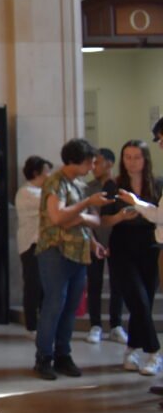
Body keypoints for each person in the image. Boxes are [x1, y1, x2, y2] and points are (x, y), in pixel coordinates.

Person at [32, 139, 112, 381]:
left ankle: (63, 355)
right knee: (54, 305)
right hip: (56, 251)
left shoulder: (77, 185)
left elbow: (93, 221)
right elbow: (57, 217)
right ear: (76, 160)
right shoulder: (55, 182)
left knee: (70, 310)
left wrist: (93, 241)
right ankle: (44, 357)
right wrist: (86, 207)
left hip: (78, 252)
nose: (92, 167)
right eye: (89, 162)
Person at [100, 140, 161, 376]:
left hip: (150, 246)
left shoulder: (157, 184)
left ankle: (132, 349)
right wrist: (120, 217)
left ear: (145, 159)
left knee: (143, 300)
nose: (132, 161)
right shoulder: (114, 185)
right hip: (122, 247)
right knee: (137, 299)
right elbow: (104, 221)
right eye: (127, 156)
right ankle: (155, 351)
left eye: (137, 157)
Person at [85, 147, 127, 344]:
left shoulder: (119, 187)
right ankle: (95, 325)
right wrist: (93, 241)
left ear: (109, 163)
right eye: (92, 163)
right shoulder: (89, 188)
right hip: (94, 241)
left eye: (98, 162)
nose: (94, 167)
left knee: (117, 284)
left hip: (117, 240)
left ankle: (116, 324)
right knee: (94, 283)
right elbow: (86, 216)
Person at [16, 155, 52, 336]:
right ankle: (32, 325)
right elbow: (49, 207)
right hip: (30, 243)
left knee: (44, 286)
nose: (49, 175)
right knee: (33, 285)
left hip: (43, 244)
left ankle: (42, 324)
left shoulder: (43, 192)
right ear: (36, 172)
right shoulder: (27, 192)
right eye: (46, 171)